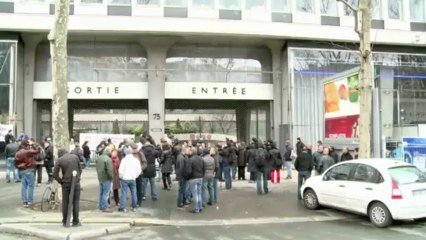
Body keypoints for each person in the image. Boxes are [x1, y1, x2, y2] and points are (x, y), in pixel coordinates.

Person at [53, 148, 82, 227]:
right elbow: (80, 169)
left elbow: (54, 174)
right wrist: (77, 178)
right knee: (76, 202)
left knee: (65, 202)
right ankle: (76, 221)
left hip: (65, 183)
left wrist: (61, 181)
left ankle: (65, 220)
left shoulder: (60, 160)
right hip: (76, 182)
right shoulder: (75, 157)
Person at [14, 140, 40, 208]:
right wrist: (33, 144)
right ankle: (30, 202)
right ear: (27, 144)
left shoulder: (17, 153)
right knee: (31, 186)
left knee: (24, 186)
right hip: (29, 169)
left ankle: (24, 201)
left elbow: (15, 163)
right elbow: (37, 151)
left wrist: (19, 168)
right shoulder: (27, 151)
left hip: (22, 171)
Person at [118, 147, 141, 212]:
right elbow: (139, 170)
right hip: (132, 178)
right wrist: (135, 176)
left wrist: (121, 177)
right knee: (134, 193)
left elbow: (120, 170)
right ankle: (134, 207)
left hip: (125, 178)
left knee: (124, 193)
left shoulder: (124, 160)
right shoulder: (136, 160)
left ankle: (122, 207)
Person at [141, 136, 159, 201]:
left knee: (144, 184)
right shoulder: (154, 150)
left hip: (145, 168)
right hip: (152, 168)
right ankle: (154, 196)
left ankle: (143, 195)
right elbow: (158, 155)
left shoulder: (142, 150)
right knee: (153, 184)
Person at [96, 147, 114, 213]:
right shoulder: (108, 159)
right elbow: (109, 170)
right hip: (106, 178)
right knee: (106, 193)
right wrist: (112, 178)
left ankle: (101, 205)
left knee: (101, 192)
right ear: (108, 152)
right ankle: (105, 207)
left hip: (100, 177)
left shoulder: (99, 158)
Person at [188, 147, 205, 213]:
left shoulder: (190, 160)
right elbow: (204, 168)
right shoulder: (201, 159)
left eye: (190, 151)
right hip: (200, 177)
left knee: (195, 194)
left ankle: (196, 208)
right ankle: (200, 207)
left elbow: (189, 171)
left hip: (193, 178)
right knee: (199, 192)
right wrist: (202, 175)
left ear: (192, 152)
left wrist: (188, 177)